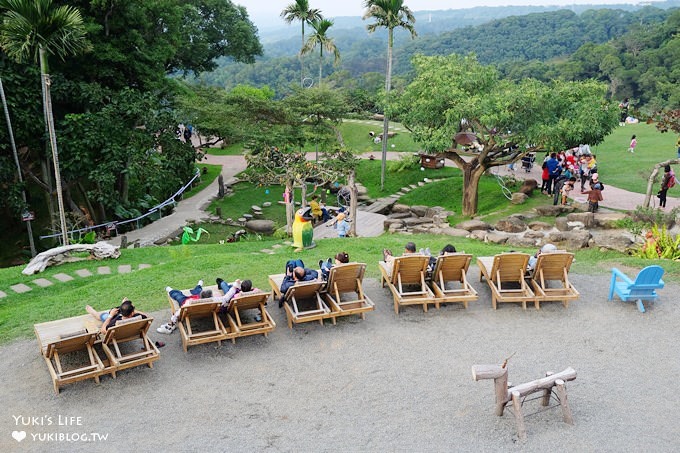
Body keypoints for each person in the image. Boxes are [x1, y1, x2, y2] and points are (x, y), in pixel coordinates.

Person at [157, 280, 234, 334]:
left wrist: (172, 320)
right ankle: (199, 284)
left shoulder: (189, 303)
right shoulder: (216, 300)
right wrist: (234, 287)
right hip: (207, 308)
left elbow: (178, 313)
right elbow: (228, 296)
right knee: (197, 291)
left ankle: (170, 290)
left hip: (189, 302)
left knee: (178, 295)